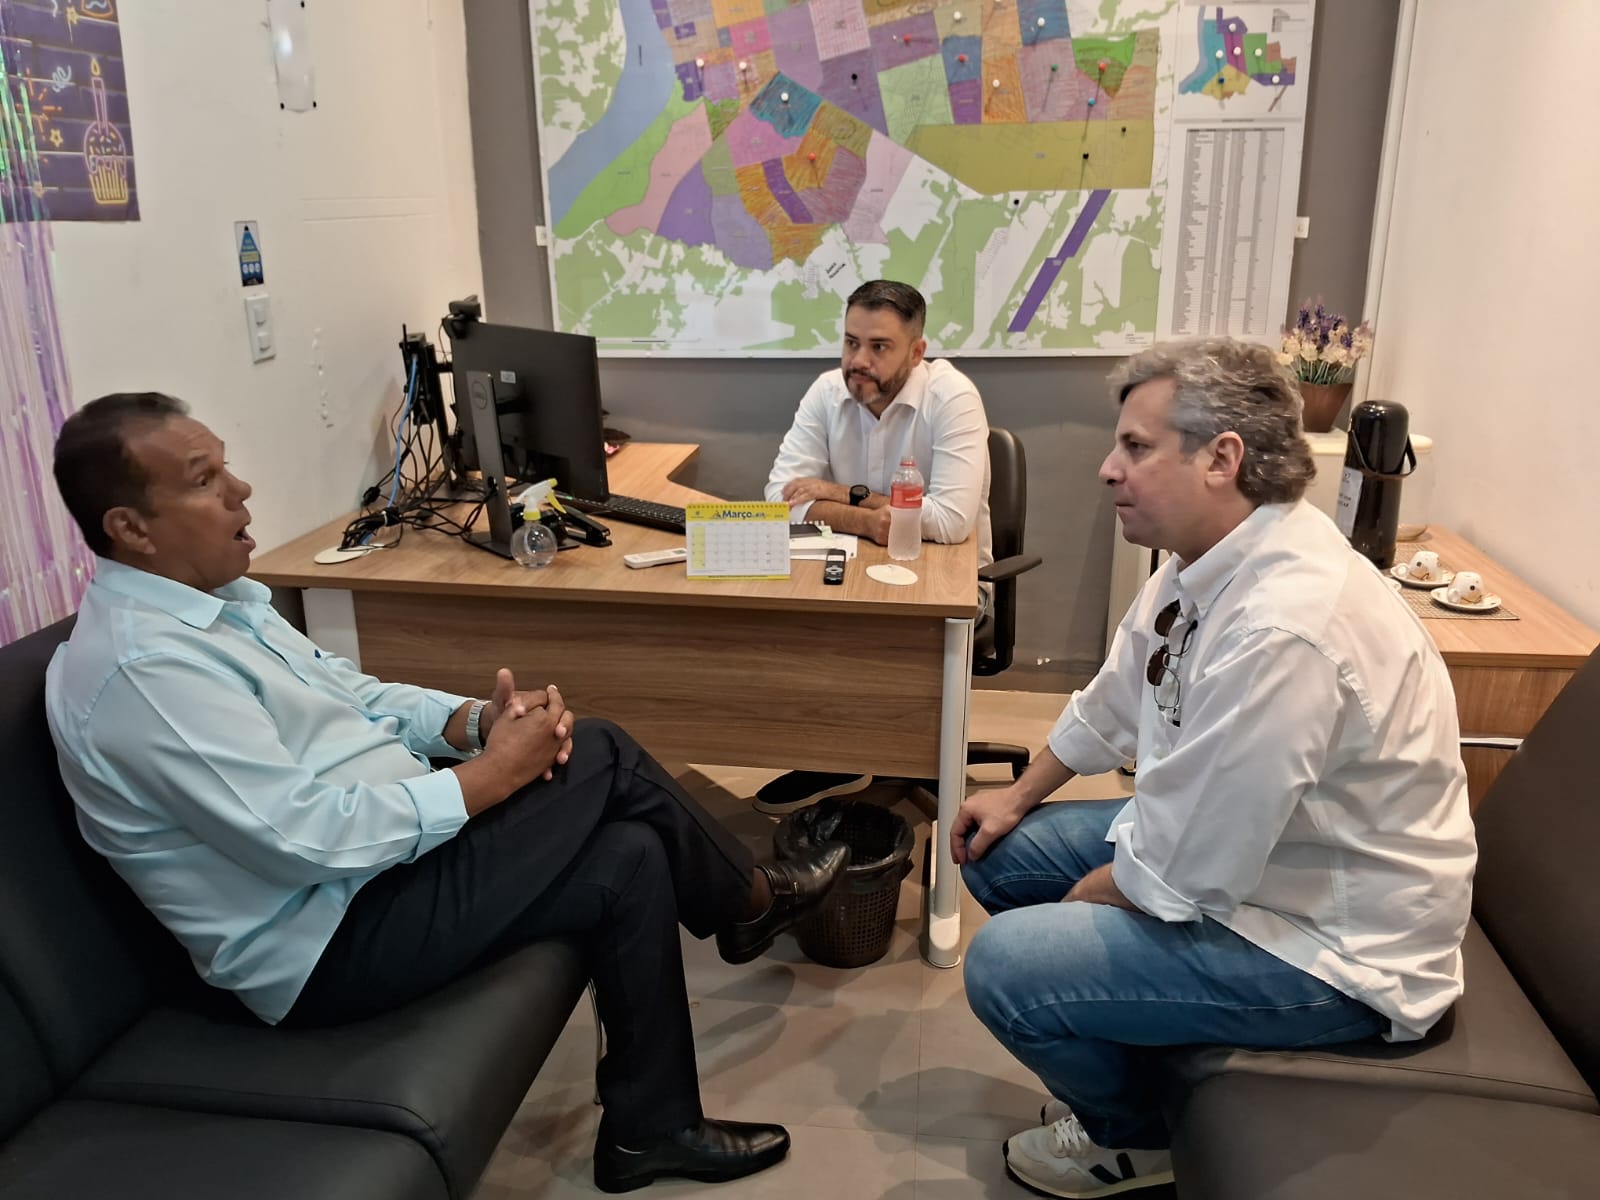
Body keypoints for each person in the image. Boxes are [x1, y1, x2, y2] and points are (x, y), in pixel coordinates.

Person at [43, 392, 851, 1194]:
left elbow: (352, 695)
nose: (240, 490)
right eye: (204, 479)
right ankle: (750, 902)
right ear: (131, 528)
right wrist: (492, 775)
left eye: (226, 467)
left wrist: (474, 722)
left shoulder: (221, 606)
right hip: (326, 941)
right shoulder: (144, 671)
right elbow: (303, 840)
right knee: (601, 753)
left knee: (630, 852)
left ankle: (651, 1130)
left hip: (377, 878)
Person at [949, 339, 1476, 1199]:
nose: (1107, 469)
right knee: (1000, 853)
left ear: (1221, 459)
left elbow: (1184, 869)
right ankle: (1135, 1052)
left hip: (1337, 951)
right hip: (1263, 867)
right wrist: (1016, 794)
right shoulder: (1206, 560)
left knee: (1007, 967)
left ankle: (1138, 1138)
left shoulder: (1287, 625)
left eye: (1136, 447)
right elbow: (1119, 692)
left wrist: (1087, 904)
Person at [757, 279, 992, 814]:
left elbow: (950, 521)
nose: (858, 361)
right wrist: (870, 520)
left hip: (951, 584)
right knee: (791, 624)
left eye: (879, 346)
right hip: (850, 571)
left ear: (916, 351)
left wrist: (843, 494)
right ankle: (834, 755)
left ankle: (913, 755)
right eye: (850, 342)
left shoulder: (952, 397)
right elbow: (778, 498)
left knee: (892, 639)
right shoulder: (826, 392)